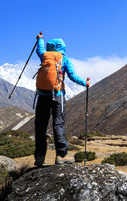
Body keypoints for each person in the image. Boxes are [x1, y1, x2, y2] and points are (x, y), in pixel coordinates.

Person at [34, 33, 89, 166]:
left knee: (40, 127)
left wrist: (40, 39)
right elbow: (73, 76)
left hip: (42, 96)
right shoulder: (64, 59)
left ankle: (40, 157)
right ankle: (60, 156)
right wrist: (85, 83)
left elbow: (39, 49)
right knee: (58, 124)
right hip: (58, 96)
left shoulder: (44, 56)